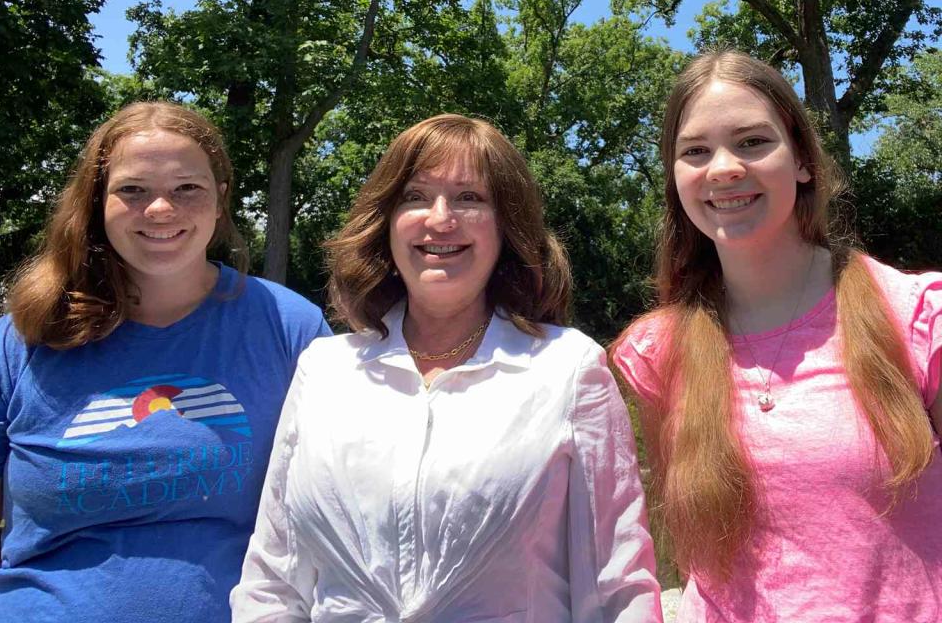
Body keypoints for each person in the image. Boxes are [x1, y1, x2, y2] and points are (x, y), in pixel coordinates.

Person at [231, 114, 662, 622]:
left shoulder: (568, 369)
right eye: (415, 196)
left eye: (470, 198)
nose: (440, 219)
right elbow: (274, 580)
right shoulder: (324, 369)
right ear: (386, 221)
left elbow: (616, 590)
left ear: (507, 227)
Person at [612, 50, 942, 622]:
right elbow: (688, 547)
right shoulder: (657, 353)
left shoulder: (915, 317)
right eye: (695, 151)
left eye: (752, 142)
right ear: (675, 178)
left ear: (803, 161)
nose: (723, 168)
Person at [0, 101, 331, 622]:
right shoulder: (18, 342)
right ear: (98, 202)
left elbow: (333, 512)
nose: (161, 209)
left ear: (221, 199)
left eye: (187, 188)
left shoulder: (289, 329)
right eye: (133, 190)